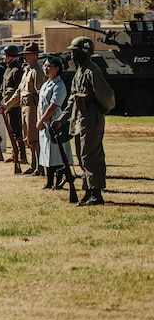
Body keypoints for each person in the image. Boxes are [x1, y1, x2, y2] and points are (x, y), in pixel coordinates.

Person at [67, 36, 116, 207]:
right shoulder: (80, 72)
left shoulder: (91, 71)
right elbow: (72, 100)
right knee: (82, 156)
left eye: (75, 52)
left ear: (84, 53)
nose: (71, 56)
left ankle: (96, 194)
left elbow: (108, 95)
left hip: (91, 119)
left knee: (91, 155)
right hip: (80, 119)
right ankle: (88, 191)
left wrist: (101, 110)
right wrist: (61, 119)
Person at [36, 53, 75, 196]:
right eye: (45, 66)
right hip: (44, 123)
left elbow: (53, 106)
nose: (46, 68)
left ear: (57, 68)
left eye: (49, 66)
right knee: (46, 152)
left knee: (57, 153)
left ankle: (59, 180)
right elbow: (41, 104)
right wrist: (39, 119)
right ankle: (49, 180)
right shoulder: (46, 84)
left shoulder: (59, 85)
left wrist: (42, 120)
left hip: (54, 122)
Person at [19, 42, 47, 176]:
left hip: (33, 106)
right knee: (28, 138)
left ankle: (39, 166)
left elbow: (41, 92)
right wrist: (6, 104)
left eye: (28, 55)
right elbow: (19, 91)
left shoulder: (37, 71)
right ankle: (33, 164)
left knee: (34, 139)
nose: (25, 57)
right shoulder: (27, 71)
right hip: (24, 106)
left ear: (35, 56)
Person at [0, 44, 27, 165]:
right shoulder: (8, 69)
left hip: (14, 105)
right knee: (11, 130)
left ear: (12, 57)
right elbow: (2, 88)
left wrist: (9, 103)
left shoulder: (17, 70)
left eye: (5, 55)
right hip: (8, 104)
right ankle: (14, 153)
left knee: (17, 131)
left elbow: (17, 90)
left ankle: (22, 155)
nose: (4, 58)